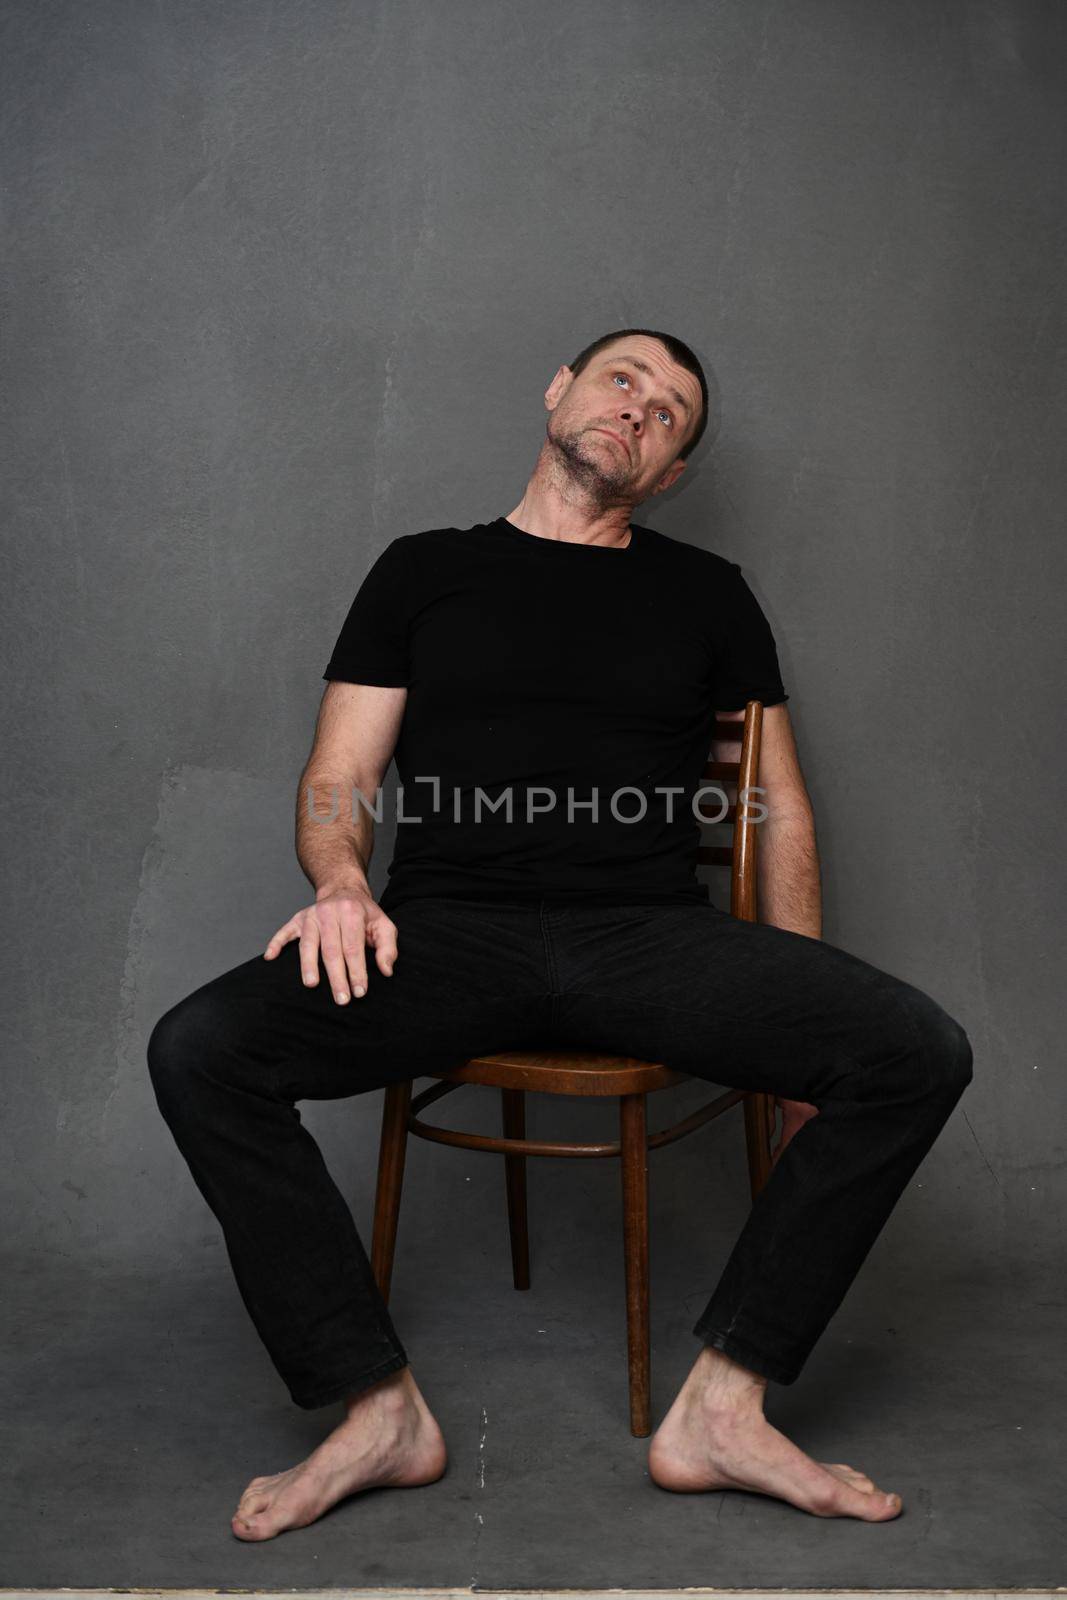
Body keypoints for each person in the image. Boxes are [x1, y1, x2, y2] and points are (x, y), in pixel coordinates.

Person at [147, 328, 973, 1541]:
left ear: (670, 469)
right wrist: (338, 883)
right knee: (200, 1048)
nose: (640, 409)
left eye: (670, 413)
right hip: (444, 935)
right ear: (558, 391)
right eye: (623, 379)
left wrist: (807, 994)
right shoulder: (422, 570)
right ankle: (374, 1407)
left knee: (915, 1051)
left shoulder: (707, 590)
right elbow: (339, 776)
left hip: (644, 938)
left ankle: (724, 1411)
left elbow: (775, 801)